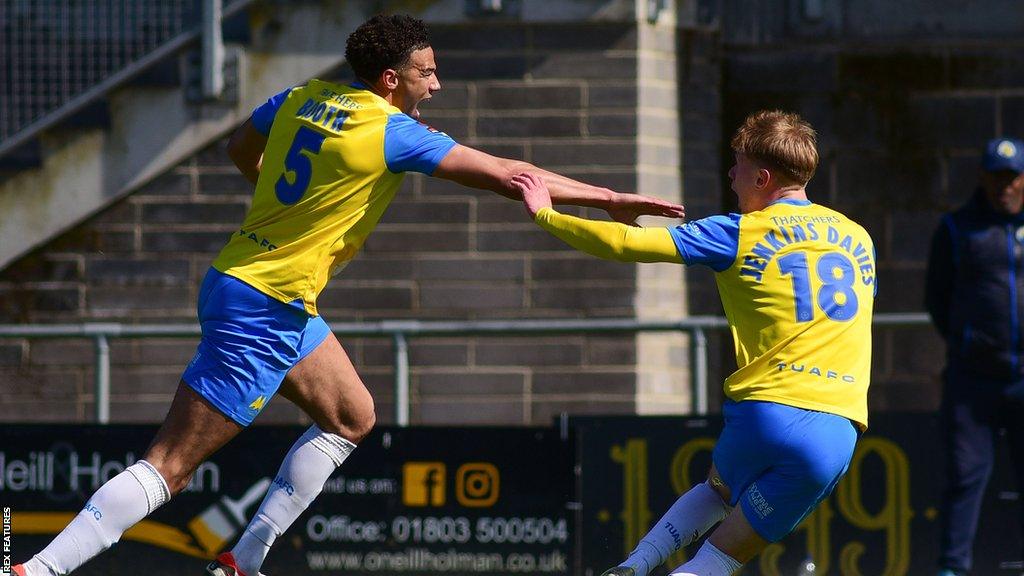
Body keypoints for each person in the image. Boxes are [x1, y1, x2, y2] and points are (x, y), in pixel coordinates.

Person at [12, 13, 684, 576]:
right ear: (392, 80)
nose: (438, 83)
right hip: (265, 305)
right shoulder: (391, 130)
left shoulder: (301, 97)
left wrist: (287, 203)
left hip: (255, 286)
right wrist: (610, 198)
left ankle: (244, 559)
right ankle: (36, 570)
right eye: (427, 72)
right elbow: (510, 174)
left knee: (352, 416)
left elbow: (245, 149)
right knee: (172, 465)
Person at [513, 110, 875, 575]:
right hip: (836, 430)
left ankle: (636, 564)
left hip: (766, 411)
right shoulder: (858, 238)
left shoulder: (737, 231)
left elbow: (627, 244)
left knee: (717, 491)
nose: (730, 175)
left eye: (737, 166)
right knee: (720, 559)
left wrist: (548, 215)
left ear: (762, 178)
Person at [926, 138, 1024, 576]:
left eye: (1012, 177)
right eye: (996, 177)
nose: (1004, 186)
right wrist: (969, 342)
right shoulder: (956, 228)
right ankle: (952, 570)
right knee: (964, 480)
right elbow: (937, 297)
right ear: (983, 178)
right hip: (973, 383)